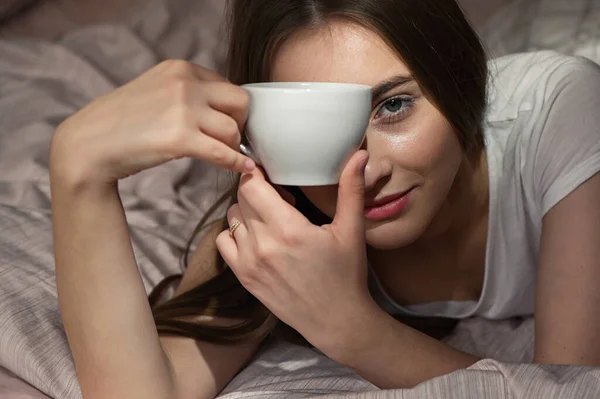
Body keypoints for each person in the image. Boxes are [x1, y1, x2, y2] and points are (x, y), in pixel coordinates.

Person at [49, 0, 600, 397]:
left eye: (393, 107)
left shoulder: (560, 111)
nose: (366, 170)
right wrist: (78, 172)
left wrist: (350, 328)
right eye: (315, 126)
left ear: (463, 80)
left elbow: (571, 388)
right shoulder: (279, 212)